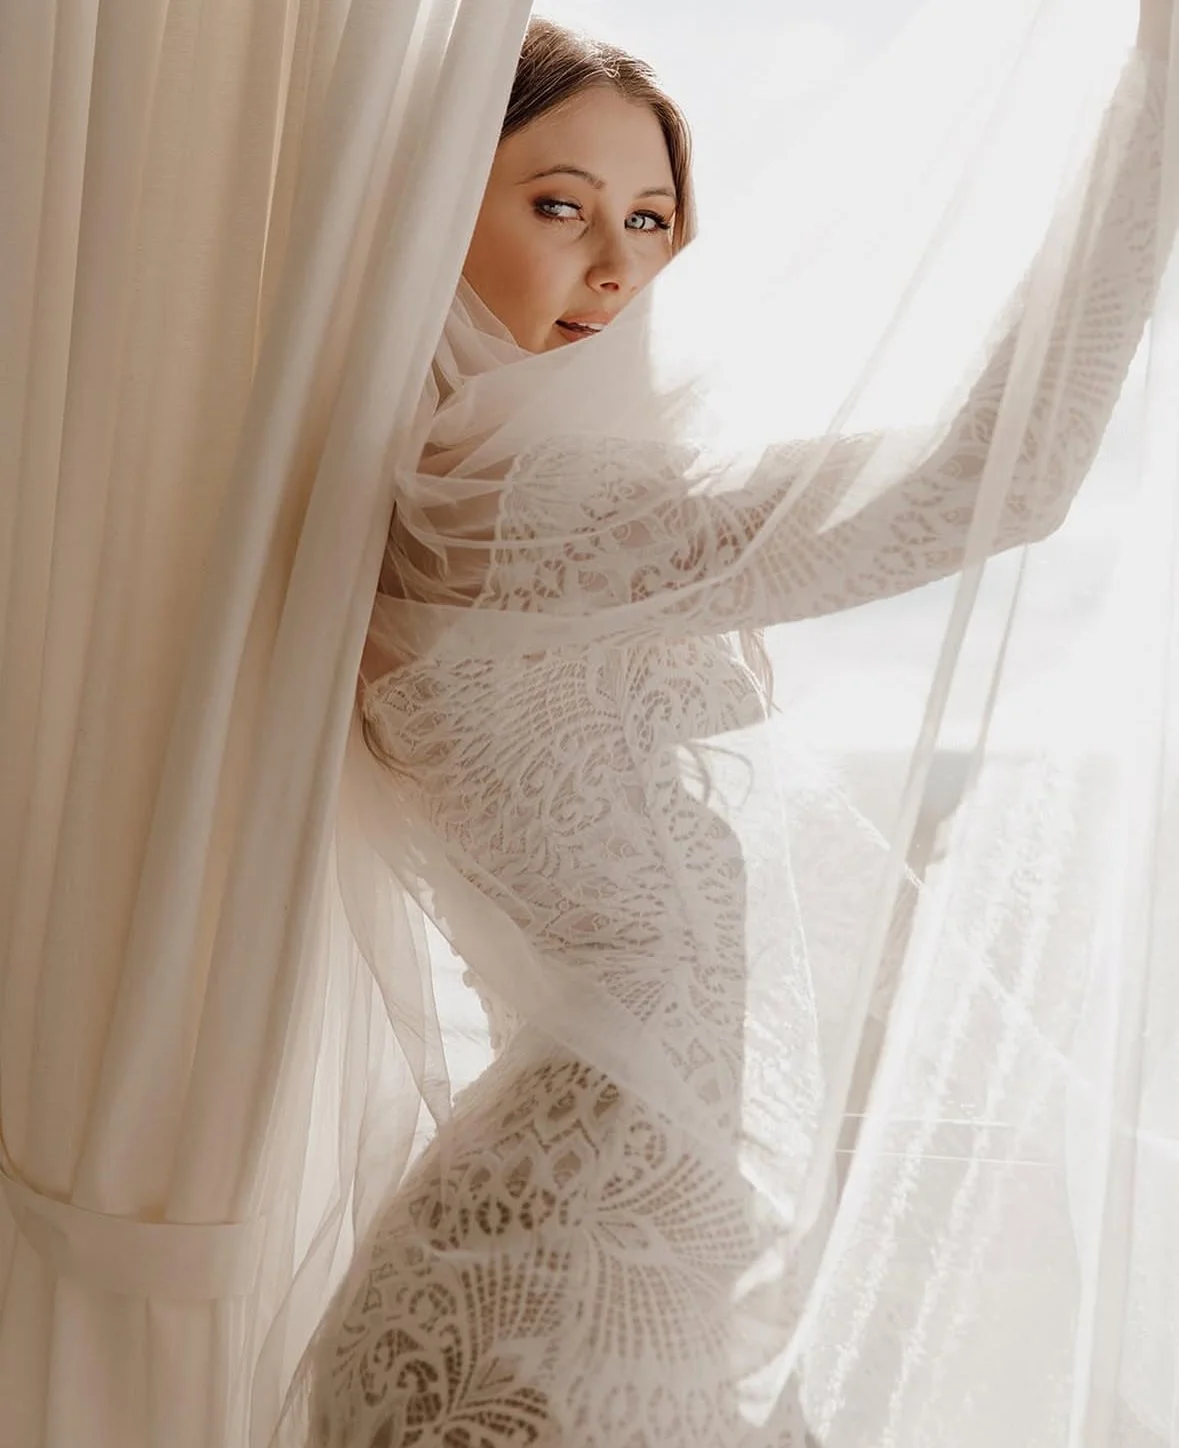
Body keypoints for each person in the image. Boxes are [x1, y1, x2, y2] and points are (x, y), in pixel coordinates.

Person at [299, 10, 1173, 1445]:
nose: (612, 265)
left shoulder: (474, 487)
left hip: (602, 1236)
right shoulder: (504, 511)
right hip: (552, 1274)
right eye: (556, 205)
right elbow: (991, 488)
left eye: (649, 220)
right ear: (426, 213)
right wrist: (1158, 107)